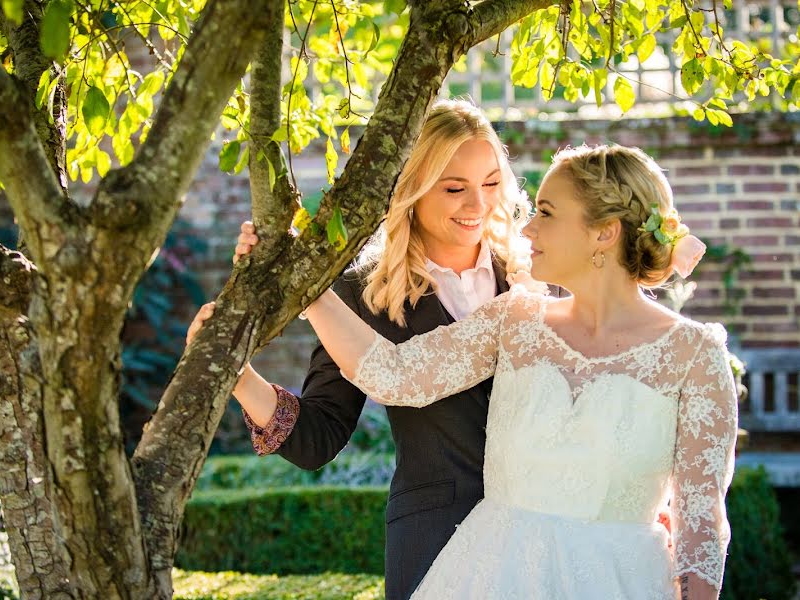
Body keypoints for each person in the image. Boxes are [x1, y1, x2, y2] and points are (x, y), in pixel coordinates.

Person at [288, 144, 737, 599]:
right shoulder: (514, 320)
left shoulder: (695, 354)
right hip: (491, 574)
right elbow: (394, 374)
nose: (527, 226)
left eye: (546, 212)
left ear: (604, 232)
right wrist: (301, 280)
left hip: (625, 581)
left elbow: (700, 522)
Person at [187, 98, 532, 599]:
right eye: (455, 188)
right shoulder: (360, 293)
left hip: (544, 528)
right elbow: (317, 438)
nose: (478, 206)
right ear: (411, 188)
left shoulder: (537, 275)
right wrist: (238, 375)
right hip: (435, 536)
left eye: (491, 184)